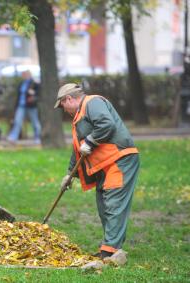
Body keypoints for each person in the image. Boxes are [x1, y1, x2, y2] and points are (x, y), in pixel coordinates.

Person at [54, 83, 140, 260]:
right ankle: (112, 247)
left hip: (119, 159)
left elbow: (107, 124)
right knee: (103, 207)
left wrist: (91, 141)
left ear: (68, 98)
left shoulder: (93, 103)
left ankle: (109, 251)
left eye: (62, 105)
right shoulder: (78, 117)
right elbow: (78, 149)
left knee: (113, 205)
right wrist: (69, 175)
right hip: (103, 165)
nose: (63, 110)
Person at [7, 70, 41, 144]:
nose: (23, 76)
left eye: (25, 74)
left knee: (35, 122)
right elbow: (18, 95)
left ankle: (37, 137)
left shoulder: (34, 83)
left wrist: (33, 98)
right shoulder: (21, 83)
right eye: (23, 75)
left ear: (29, 74)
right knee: (17, 121)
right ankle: (13, 137)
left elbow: (38, 94)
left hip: (31, 106)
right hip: (21, 105)